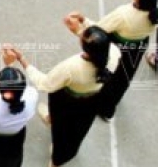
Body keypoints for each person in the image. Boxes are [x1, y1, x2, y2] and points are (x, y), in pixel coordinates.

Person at [7, 26, 120, 167]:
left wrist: (22, 59)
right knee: (78, 130)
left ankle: (56, 161)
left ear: (85, 47)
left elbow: (44, 83)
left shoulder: (71, 68)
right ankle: (52, 122)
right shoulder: (113, 53)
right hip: (92, 100)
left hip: (68, 100)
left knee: (63, 134)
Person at [66, 0, 158, 120]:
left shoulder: (123, 14)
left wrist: (82, 22)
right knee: (124, 77)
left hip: (118, 47)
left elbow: (99, 30)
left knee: (107, 74)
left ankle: (97, 102)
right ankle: (108, 110)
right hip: (138, 46)